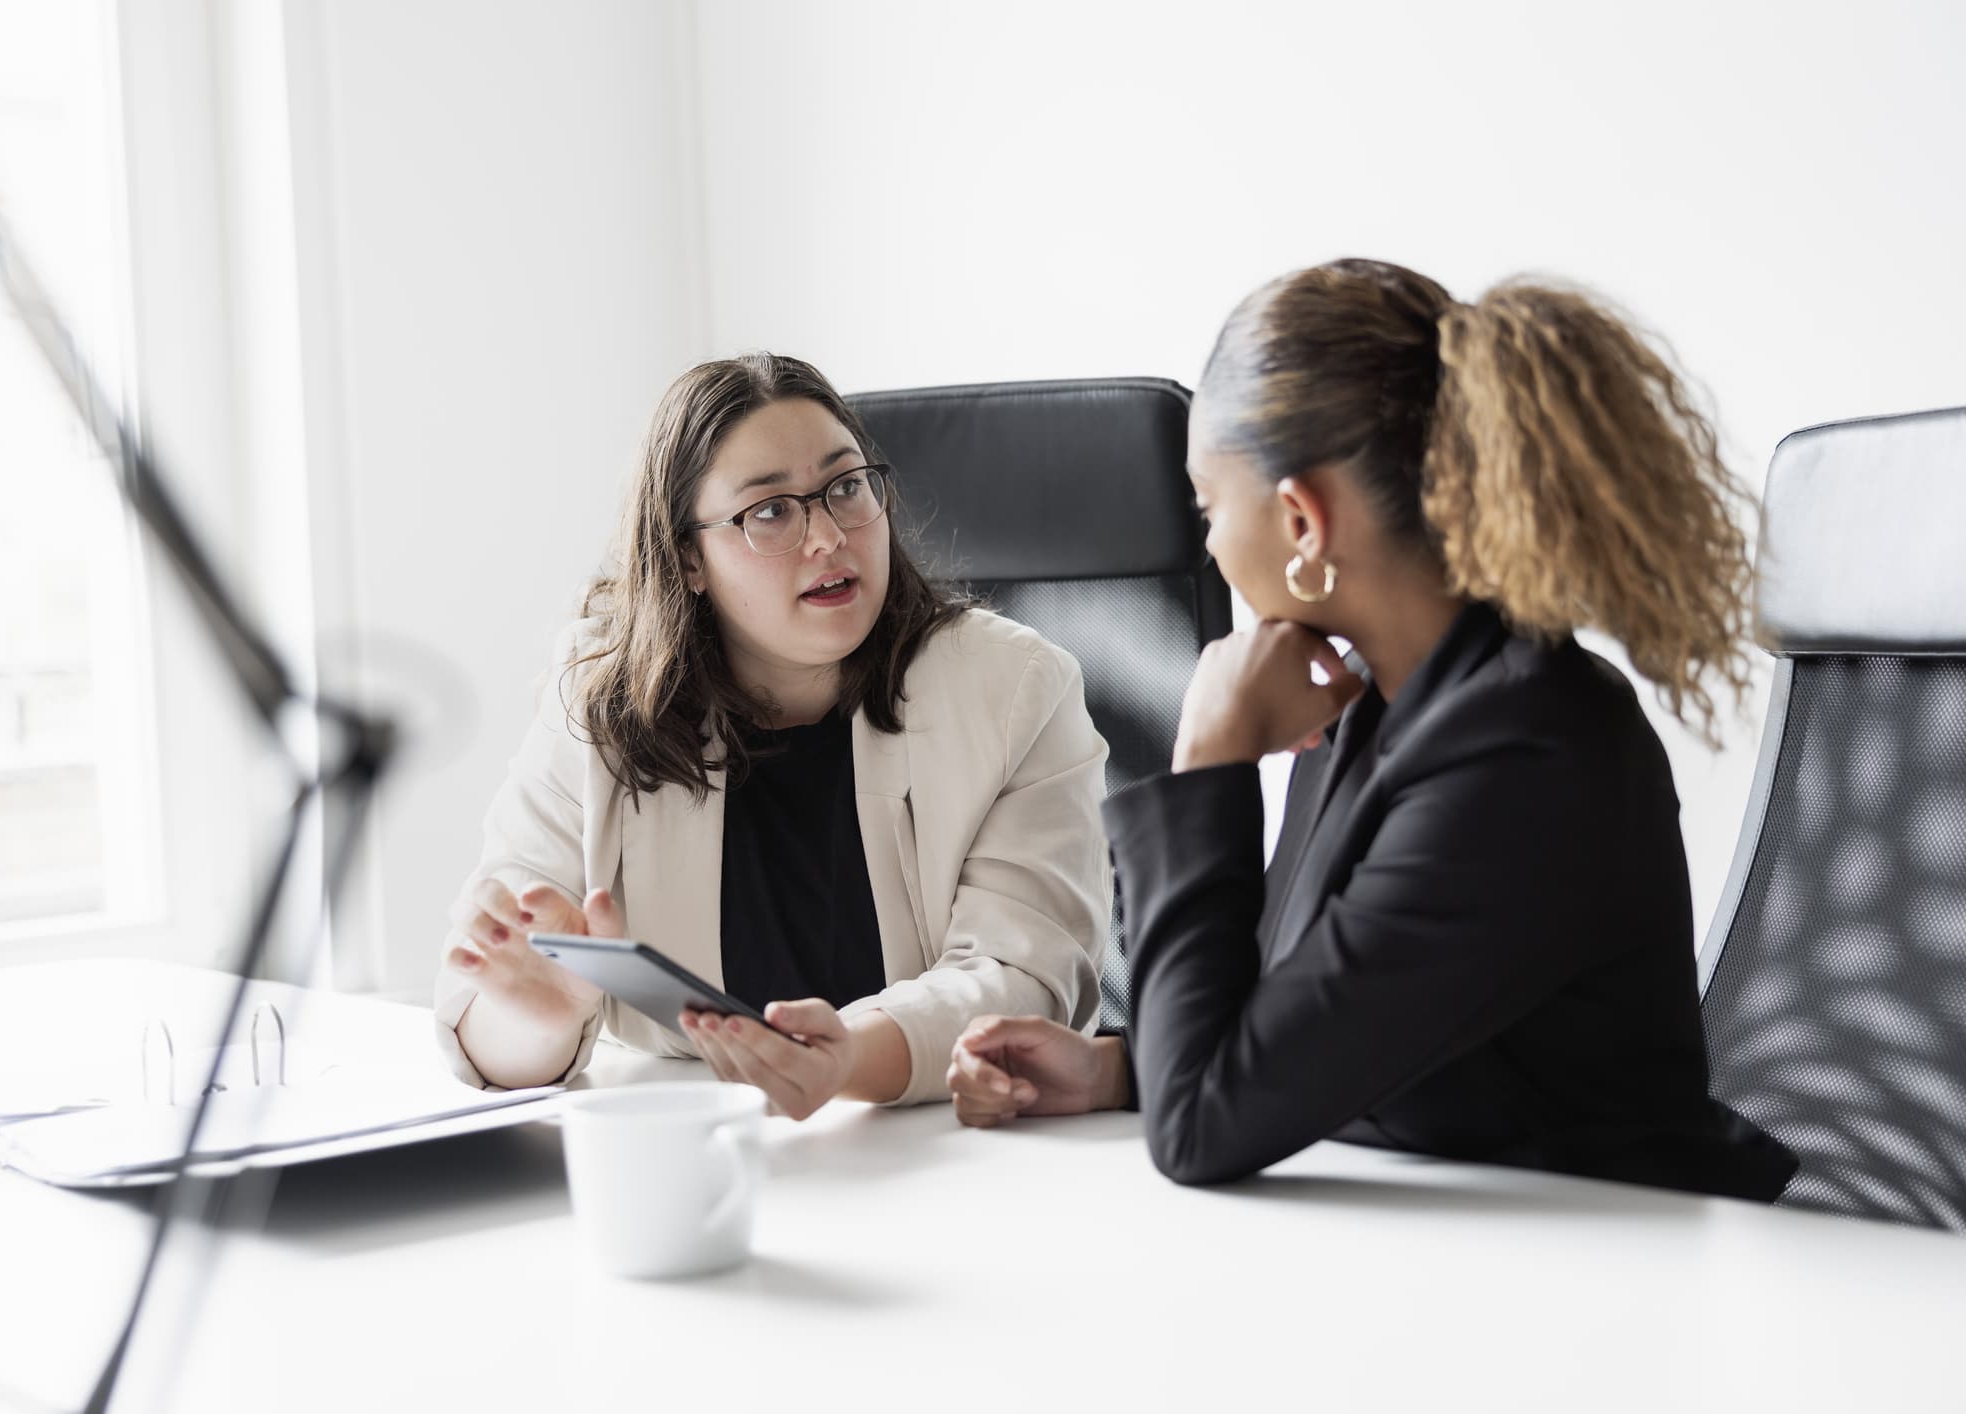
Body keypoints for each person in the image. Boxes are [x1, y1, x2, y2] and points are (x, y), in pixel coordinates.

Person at [945, 259, 1797, 1201]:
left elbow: (1203, 1127)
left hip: (1605, 1273)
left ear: (1302, 518)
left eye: (1208, 508)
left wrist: (1207, 760)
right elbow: (1309, 1030)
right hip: (1460, 1252)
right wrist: (1118, 1070)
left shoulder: (1528, 751)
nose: (1212, 546)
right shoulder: (1381, 700)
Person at [434, 353, 1111, 1117]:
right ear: (688, 556)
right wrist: (540, 1017)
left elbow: (1022, 978)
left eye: (846, 487)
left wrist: (846, 1060)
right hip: (698, 1148)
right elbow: (489, 1018)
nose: (827, 535)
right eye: (771, 511)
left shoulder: (1014, 690)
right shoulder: (600, 703)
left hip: (952, 1147)